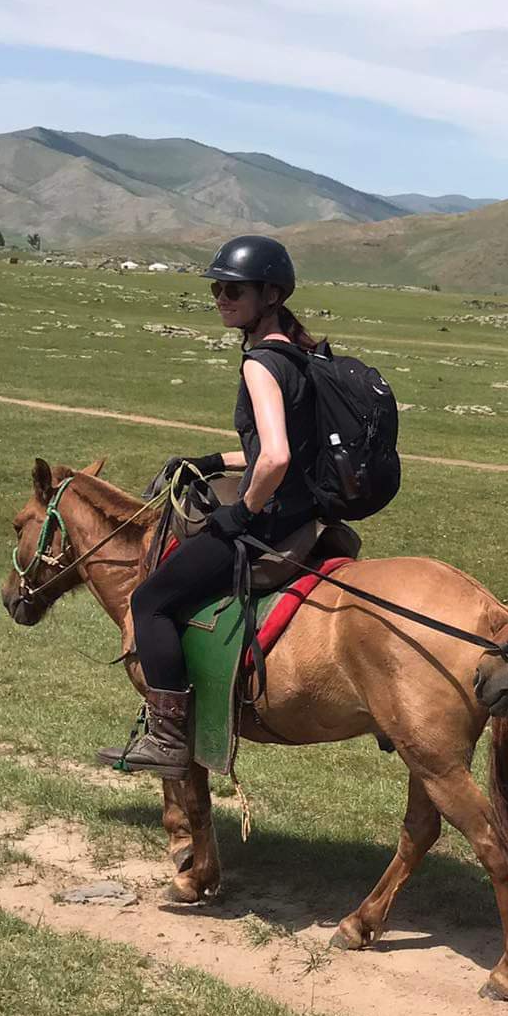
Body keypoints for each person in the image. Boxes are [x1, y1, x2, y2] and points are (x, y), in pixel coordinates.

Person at [99, 234, 323, 776]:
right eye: (217, 289)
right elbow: (271, 449)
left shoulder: (260, 363)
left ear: (270, 294)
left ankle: (169, 737)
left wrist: (241, 512)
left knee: (150, 600)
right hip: (307, 516)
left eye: (233, 289)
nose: (221, 298)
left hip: (270, 520)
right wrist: (211, 459)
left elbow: (274, 458)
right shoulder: (301, 355)